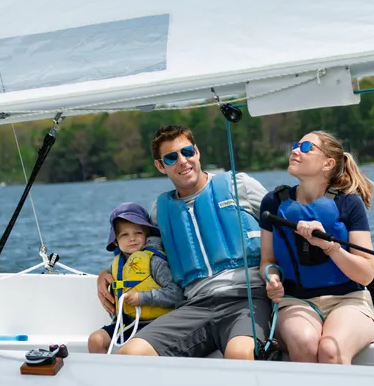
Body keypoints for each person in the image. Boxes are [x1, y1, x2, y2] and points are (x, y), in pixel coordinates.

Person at [96, 125, 271, 360]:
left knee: (241, 354)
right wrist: (105, 273)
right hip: (194, 306)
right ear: (160, 166)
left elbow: (282, 227)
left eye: (187, 152)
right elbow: (145, 254)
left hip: (248, 299)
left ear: (197, 152)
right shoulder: (161, 212)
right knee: (130, 355)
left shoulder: (238, 186)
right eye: (171, 157)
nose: (182, 161)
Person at [259, 130, 374, 365]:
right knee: (305, 343)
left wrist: (330, 246)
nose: (295, 150)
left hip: (349, 299)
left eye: (306, 148)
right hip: (295, 301)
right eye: (296, 145)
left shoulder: (349, 204)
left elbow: (366, 274)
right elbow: (267, 262)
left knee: (330, 350)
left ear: (328, 163)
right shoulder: (272, 203)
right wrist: (271, 278)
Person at [87, 202, 183, 354]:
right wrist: (103, 274)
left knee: (127, 352)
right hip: (128, 323)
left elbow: (176, 294)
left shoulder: (155, 261)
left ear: (147, 235)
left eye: (138, 233)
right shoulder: (116, 265)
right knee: (95, 340)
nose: (132, 239)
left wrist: (142, 297)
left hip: (158, 324)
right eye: (125, 235)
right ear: (115, 241)